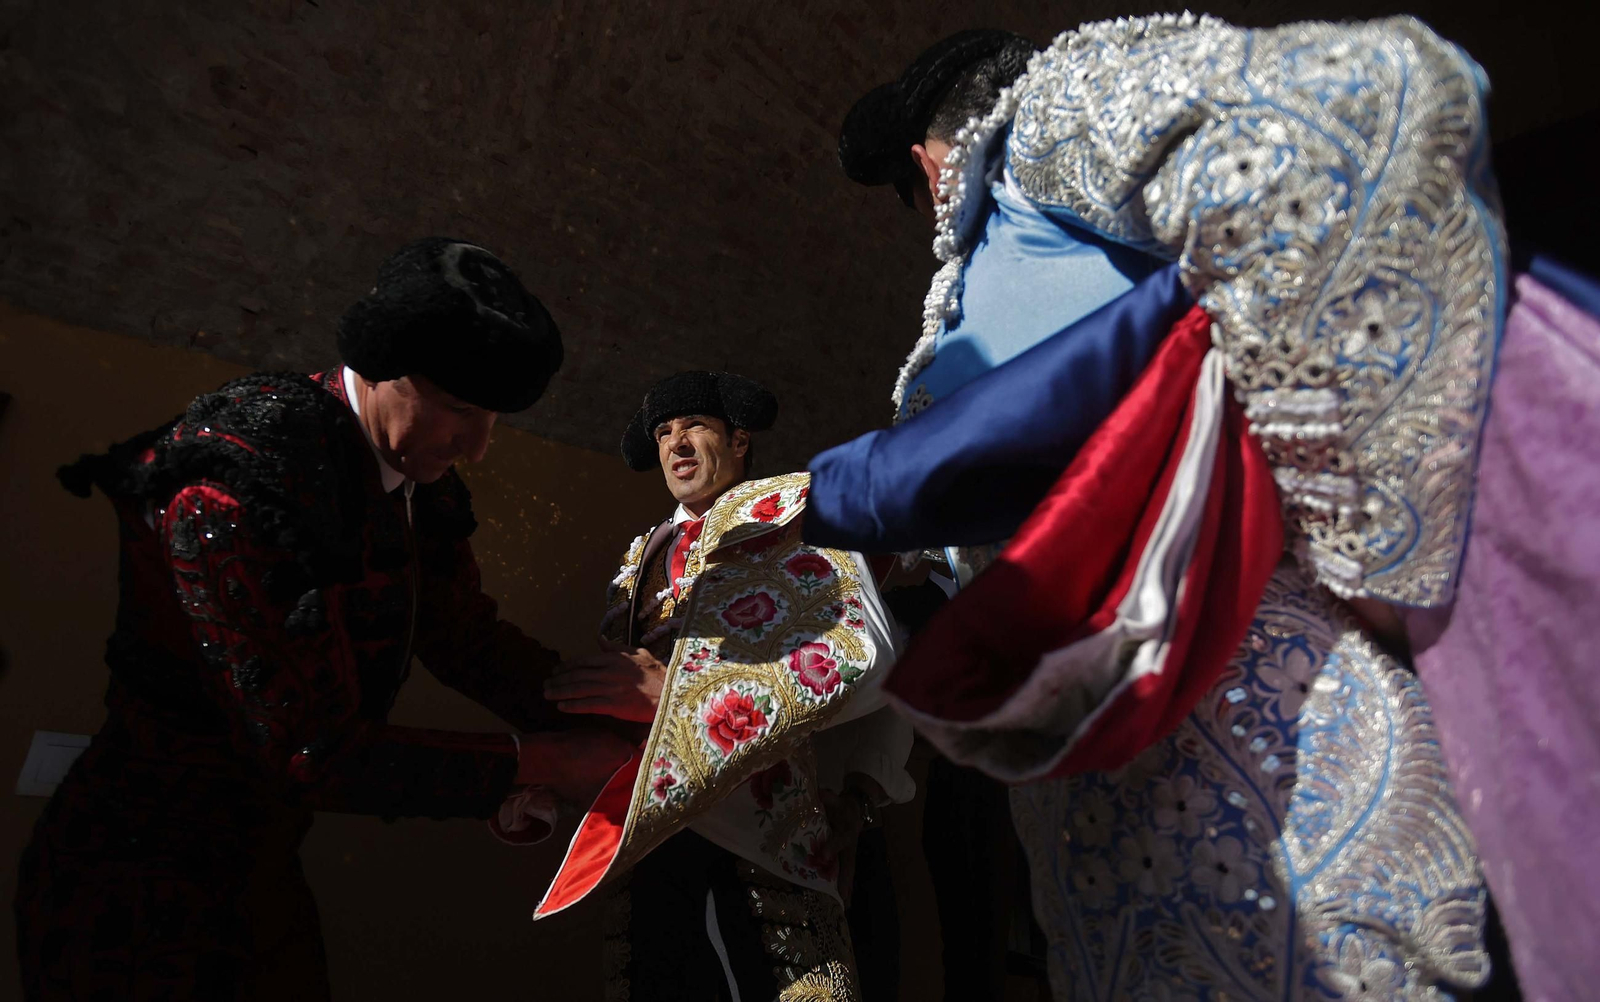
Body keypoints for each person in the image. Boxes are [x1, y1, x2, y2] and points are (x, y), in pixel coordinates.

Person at [810, 16, 1528, 999]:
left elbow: (1352, 110)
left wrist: (1347, 529)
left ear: (928, 162)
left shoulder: (1044, 117)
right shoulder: (991, 271)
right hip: (1106, 805)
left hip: (1250, 722)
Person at [15, 237, 635, 1000]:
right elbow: (312, 750)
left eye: (494, 418)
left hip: (260, 871)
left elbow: (465, 638)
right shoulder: (241, 476)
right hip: (132, 886)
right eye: (461, 409)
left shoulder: (416, 481)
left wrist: (629, 720)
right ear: (383, 368)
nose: (476, 448)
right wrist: (547, 762)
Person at [531, 371, 914, 1001]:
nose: (677, 442)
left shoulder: (795, 510)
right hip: (652, 826)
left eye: (695, 426)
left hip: (764, 823)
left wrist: (683, 694)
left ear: (739, 441)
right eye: (663, 432)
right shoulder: (639, 558)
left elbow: (856, 652)